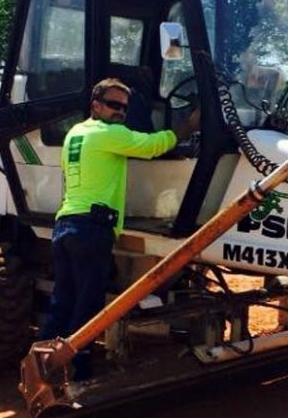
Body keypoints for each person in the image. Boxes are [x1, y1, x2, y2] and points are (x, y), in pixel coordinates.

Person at [39, 77, 200, 378]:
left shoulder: (76, 133)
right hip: (92, 228)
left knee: (63, 301)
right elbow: (154, 146)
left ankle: (40, 366)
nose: (120, 113)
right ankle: (79, 372)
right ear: (95, 105)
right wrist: (189, 125)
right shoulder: (108, 134)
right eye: (113, 105)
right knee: (88, 306)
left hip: (66, 225)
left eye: (124, 108)